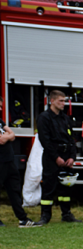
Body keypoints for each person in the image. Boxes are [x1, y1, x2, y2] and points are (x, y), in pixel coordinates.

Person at [35, 90, 81, 225]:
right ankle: (45, 216)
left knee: (66, 187)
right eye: (60, 101)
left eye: (64, 101)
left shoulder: (65, 119)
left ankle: (66, 214)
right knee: (49, 186)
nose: (63, 103)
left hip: (66, 155)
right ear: (52, 101)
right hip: (52, 156)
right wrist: (56, 157)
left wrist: (72, 157)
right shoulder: (44, 118)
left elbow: (72, 139)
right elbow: (45, 140)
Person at [0, 96, 38, 227]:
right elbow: (2, 139)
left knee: (15, 190)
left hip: (9, 161)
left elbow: (12, 134)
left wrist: (7, 136)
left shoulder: (0, 121)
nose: (0, 108)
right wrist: (7, 137)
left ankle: (23, 219)